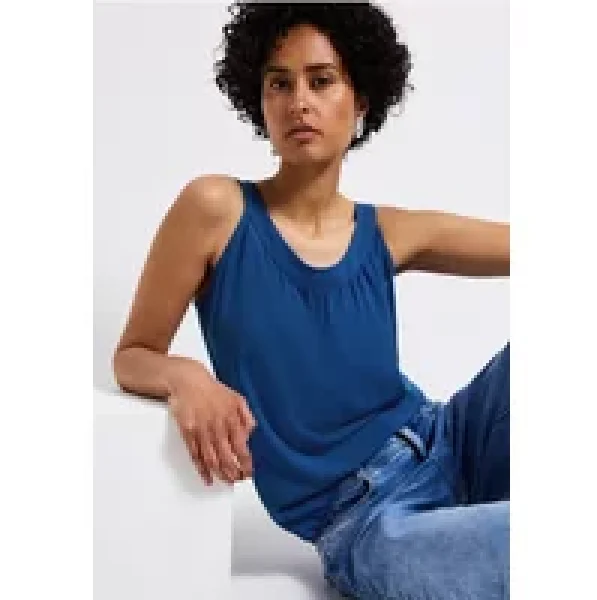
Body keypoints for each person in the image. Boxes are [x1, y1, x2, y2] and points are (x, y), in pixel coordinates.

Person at [113, 2, 510, 598]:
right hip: (367, 524)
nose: (299, 101)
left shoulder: (386, 232)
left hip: (455, 441)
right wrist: (187, 376)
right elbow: (133, 354)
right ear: (260, 102)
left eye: (321, 81)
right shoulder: (216, 210)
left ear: (361, 100)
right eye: (279, 83)